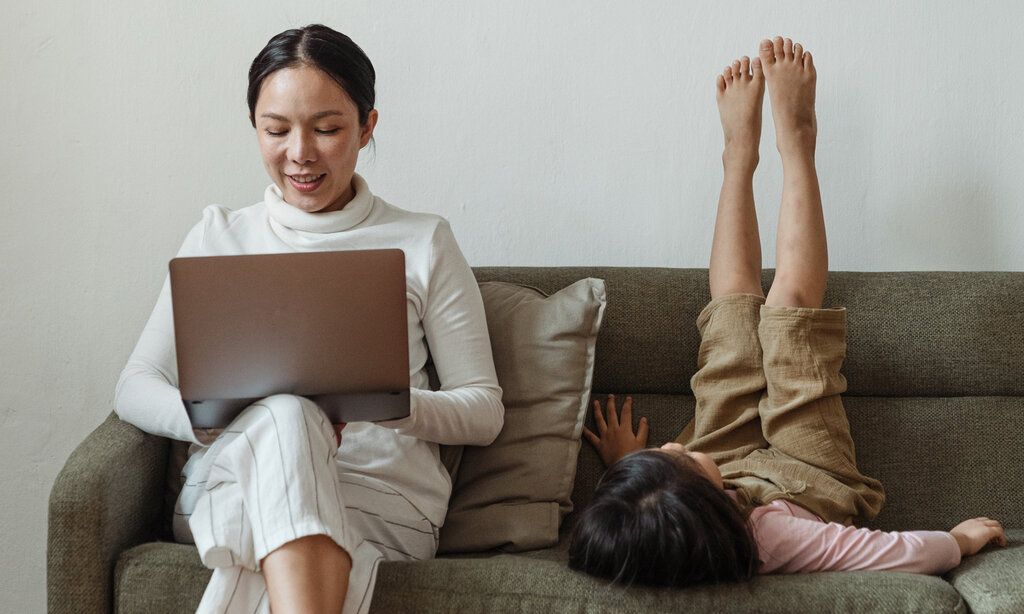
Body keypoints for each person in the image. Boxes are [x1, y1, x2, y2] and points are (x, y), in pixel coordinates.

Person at [570, 37, 1007, 587]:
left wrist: (626, 471)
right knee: (788, 312)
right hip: (806, 476)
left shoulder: (674, 520)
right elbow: (895, 554)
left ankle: (737, 157)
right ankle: (798, 141)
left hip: (722, 467)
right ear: (702, 504)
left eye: (664, 451)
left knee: (731, 315)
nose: (672, 442)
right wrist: (959, 541)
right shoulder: (778, 539)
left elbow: (644, 530)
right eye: (674, 456)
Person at [114, 24, 503, 613]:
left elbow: (484, 411)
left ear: (368, 126)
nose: (300, 153)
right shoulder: (218, 236)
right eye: (276, 130)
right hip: (233, 483)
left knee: (294, 426)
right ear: (254, 126)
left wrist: (383, 404)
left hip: (381, 496)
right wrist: (217, 423)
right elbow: (134, 386)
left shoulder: (424, 241)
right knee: (289, 415)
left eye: (326, 128)